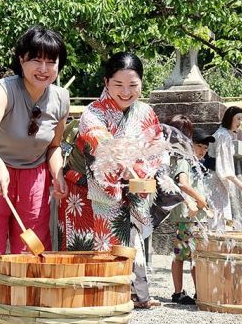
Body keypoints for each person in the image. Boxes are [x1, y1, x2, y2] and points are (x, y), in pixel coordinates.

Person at [0, 25, 69, 324]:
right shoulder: (2, 89)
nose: (43, 69)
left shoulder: (61, 98)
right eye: (36, 60)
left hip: (34, 178)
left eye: (51, 62)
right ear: (21, 59)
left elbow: (54, 146)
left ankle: (24, 319)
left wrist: (57, 174)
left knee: (30, 256)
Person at [58, 52, 162, 309]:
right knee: (89, 245)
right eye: (118, 85)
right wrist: (126, 165)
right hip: (85, 190)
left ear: (142, 83)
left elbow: (157, 148)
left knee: (131, 240)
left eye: (133, 85)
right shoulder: (93, 112)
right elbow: (101, 142)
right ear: (106, 82)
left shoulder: (146, 112)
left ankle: (132, 294)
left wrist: (144, 171)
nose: (126, 92)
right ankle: (89, 300)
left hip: (131, 188)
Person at [166, 120, 214, 305]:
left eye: (205, 147)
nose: (202, 150)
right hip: (188, 217)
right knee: (187, 255)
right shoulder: (184, 161)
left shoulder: (197, 164)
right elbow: (182, 184)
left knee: (194, 255)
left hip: (196, 217)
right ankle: (181, 292)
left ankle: (196, 291)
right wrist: (201, 201)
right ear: (189, 145)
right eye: (199, 146)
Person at [205, 106, 242, 229]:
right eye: (238, 119)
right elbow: (224, 166)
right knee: (218, 216)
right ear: (230, 118)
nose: (240, 123)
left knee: (218, 215)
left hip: (214, 178)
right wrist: (238, 183)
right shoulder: (224, 136)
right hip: (215, 180)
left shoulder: (223, 134)